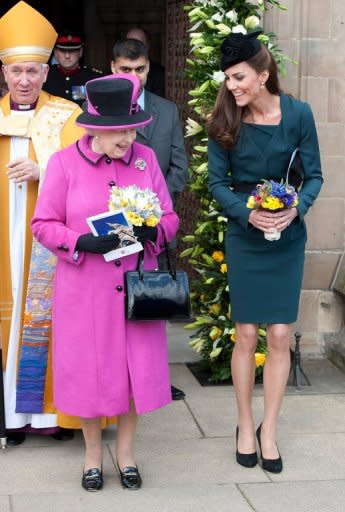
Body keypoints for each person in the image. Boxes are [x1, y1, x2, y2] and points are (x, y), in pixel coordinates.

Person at [31, 73, 179, 491]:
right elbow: (42, 225)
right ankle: (93, 454)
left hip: (135, 286)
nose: (129, 138)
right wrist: (81, 241)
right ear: (96, 129)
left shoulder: (145, 161)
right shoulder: (63, 164)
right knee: (91, 373)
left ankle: (126, 453)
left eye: (133, 128)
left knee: (133, 374)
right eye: (120, 131)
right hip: (85, 290)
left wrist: (156, 232)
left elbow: (169, 216)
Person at [207, 31, 323, 473]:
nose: (232, 86)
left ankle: (268, 431)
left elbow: (314, 176)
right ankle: (243, 424)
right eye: (228, 79)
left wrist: (295, 211)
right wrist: (245, 214)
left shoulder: (299, 115)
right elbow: (217, 183)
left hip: (287, 237)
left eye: (238, 78)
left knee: (278, 335)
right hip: (245, 234)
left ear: (263, 73)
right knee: (248, 334)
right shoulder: (224, 119)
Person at [0, 1, 85, 446]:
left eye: (33, 71)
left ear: (46, 72)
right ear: (4, 72)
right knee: (7, 322)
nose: (25, 80)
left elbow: (87, 178)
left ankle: (52, 414)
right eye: (17, 72)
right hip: (3, 242)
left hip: (46, 243)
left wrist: (44, 171)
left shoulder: (66, 117)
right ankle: (12, 418)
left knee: (48, 320)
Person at [111, 38, 188, 401]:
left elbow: (179, 167)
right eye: (125, 70)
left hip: (151, 227)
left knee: (150, 308)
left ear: (148, 68)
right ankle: (116, 379)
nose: (133, 76)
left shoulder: (167, 110)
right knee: (112, 311)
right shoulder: (97, 109)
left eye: (139, 69)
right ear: (113, 69)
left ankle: (155, 379)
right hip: (112, 229)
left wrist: (152, 206)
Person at [44, 31, 103, 106]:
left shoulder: (94, 78)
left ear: (81, 52)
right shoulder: (44, 76)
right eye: (62, 51)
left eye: (72, 51)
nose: (67, 56)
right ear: (55, 52)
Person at [125, 27, 165, 97]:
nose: (133, 48)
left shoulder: (160, 74)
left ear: (147, 45)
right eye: (129, 43)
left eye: (139, 43)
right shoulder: (114, 73)